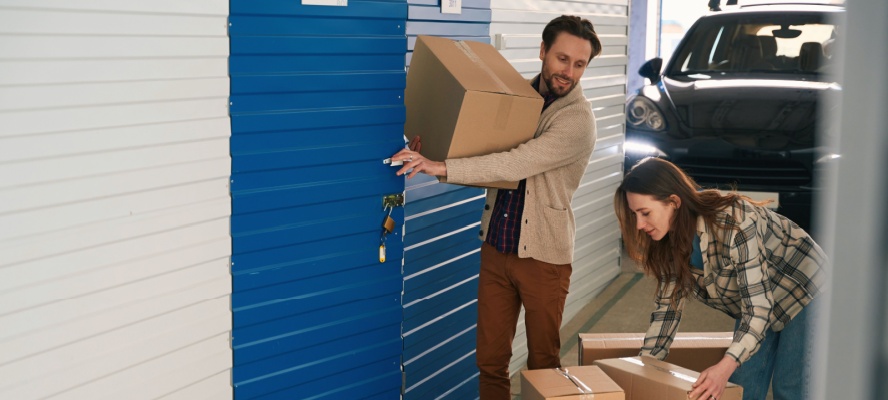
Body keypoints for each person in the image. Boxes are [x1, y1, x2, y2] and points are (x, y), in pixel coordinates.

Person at [389, 15, 602, 400]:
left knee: (543, 365)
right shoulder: (516, 98)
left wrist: (441, 167)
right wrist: (431, 149)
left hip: (544, 259)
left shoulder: (577, 120)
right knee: (489, 361)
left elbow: (515, 162)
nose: (568, 71)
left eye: (579, 64)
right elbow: (482, 145)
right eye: (562, 58)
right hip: (497, 247)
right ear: (542, 52)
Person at [613, 157, 827, 400]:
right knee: (743, 387)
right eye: (634, 215)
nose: (639, 224)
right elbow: (666, 314)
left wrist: (724, 367)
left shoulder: (734, 223)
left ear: (673, 202)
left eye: (645, 213)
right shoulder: (668, 243)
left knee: (790, 389)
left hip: (804, 286)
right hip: (756, 299)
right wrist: (640, 372)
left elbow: (758, 311)